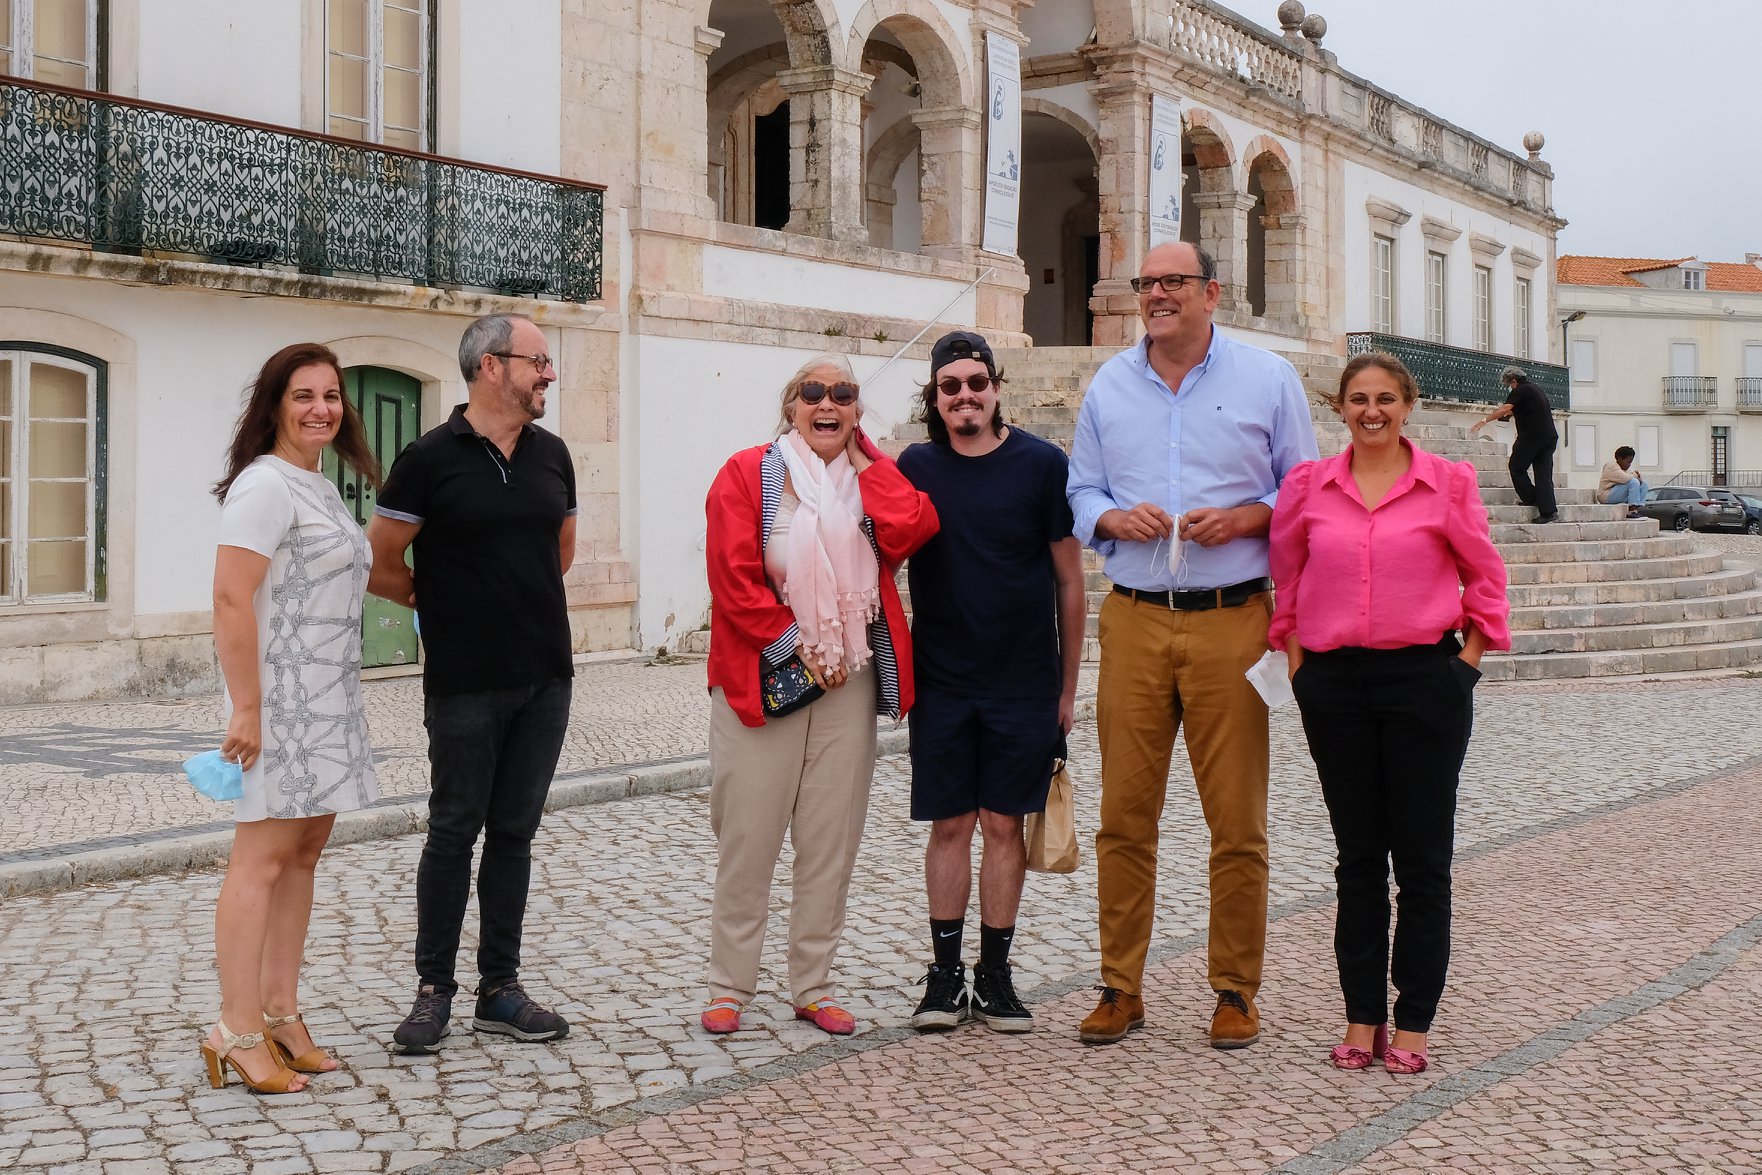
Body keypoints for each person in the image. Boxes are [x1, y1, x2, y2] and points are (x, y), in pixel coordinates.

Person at [1067, 241, 1319, 1048]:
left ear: (1213, 292)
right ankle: (1120, 985)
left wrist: (1250, 517)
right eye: (1148, 284)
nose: (1157, 294)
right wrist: (1109, 518)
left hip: (1232, 616)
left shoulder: (1267, 379)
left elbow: (1308, 489)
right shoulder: (1109, 384)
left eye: (1174, 281)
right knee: (1123, 817)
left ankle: (1236, 990)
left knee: (1236, 820)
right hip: (1135, 614)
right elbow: (1079, 490)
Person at [1270, 352, 1510, 1075]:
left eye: (1384, 398)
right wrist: (1299, 663)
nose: (1370, 410)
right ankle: (1360, 1015)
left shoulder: (1447, 483)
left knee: (1423, 864)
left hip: (1424, 684)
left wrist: (1463, 667)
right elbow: (1287, 575)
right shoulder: (1309, 486)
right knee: (1357, 863)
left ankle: (1413, 1024)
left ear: (1407, 405)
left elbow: (1485, 576)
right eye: (1357, 399)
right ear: (1339, 408)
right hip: (1334, 685)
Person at [699, 354, 938, 1037]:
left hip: (849, 677)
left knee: (830, 840)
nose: (827, 401)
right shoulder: (749, 474)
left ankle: (813, 982)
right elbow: (732, 575)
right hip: (766, 673)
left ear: (858, 411)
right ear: (791, 405)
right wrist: (799, 644)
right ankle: (728, 985)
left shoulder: (870, 480)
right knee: (749, 836)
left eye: (844, 394)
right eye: (813, 391)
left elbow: (913, 528)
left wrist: (871, 459)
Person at [367, 313, 578, 1053]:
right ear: (492, 365)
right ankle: (432, 993)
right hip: (462, 679)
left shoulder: (553, 454)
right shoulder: (429, 458)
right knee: (454, 829)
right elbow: (383, 559)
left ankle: (501, 988)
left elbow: (562, 550)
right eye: (539, 361)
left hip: (546, 676)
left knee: (514, 832)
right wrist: (438, 601)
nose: (549, 373)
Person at [204, 343, 383, 1093]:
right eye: (303, 395)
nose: (320, 408)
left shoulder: (319, 485)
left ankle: (280, 1012)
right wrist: (247, 707)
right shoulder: (265, 486)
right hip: (278, 705)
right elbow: (229, 599)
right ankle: (234, 1029)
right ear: (275, 404)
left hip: (329, 703)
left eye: (332, 395)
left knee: (304, 854)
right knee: (261, 860)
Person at [896, 331, 1084, 1034]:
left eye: (976, 383)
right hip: (942, 680)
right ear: (935, 398)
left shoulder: (1040, 463)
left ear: (996, 387)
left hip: (1023, 681)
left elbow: (1070, 580)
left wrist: (1068, 687)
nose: (965, 396)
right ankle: (944, 979)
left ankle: (995, 976)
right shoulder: (914, 466)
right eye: (951, 387)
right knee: (951, 824)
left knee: (1005, 823)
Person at [1471, 365, 1558, 523]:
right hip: (1548, 437)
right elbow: (1519, 410)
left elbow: (1506, 408)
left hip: (1532, 437)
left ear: (1514, 381)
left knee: (1516, 467)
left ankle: (1532, 498)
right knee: (1543, 473)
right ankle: (1549, 511)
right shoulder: (1534, 389)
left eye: (1509, 385)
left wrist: (1483, 421)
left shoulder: (1521, 391)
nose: (1509, 388)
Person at [1598, 446, 1648, 520]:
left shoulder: (1623, 469)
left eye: (1630, 462)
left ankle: (1635, 510)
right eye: (1628, 462)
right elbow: (1626, 478)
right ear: (1619, 459)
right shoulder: (1611, 467)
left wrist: (1638, 478)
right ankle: (1631, 512)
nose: (1629, 465)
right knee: (1634, 482)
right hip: (1605, 496)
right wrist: (1635, 475)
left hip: (1615, 494)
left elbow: (1630, 477)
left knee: (1644, 484)